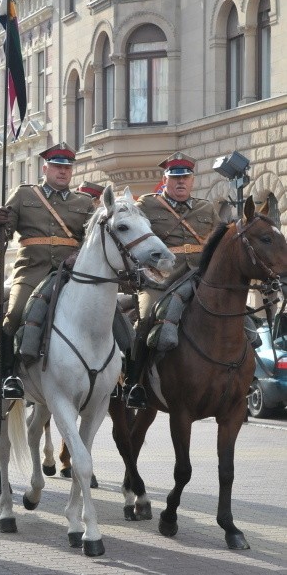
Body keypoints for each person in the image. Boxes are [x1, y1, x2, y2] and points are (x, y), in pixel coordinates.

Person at [0, 143, 93, 399]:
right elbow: (2, 238)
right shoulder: (25, 196)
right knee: (14, 314)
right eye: (58, 167)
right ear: (45, 168)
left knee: (106, 312)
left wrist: (77, 256)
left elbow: (92, 239)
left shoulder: (84, 201)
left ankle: (117, 375)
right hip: (32, 271)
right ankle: (10, 375)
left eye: (67, 168)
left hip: (71, 273)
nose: (63, 172)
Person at [124, 151, 221, 409]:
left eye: (186, 177)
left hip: (200, 278)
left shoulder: (206, 208)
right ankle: (134, 383)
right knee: (145, 320)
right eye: (175, 177)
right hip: (161, 281)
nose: (181, 182)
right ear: (164, 178)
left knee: (239, 317)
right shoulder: (147, 205)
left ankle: (238, 380)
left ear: (192, 180)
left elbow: (220, 242)